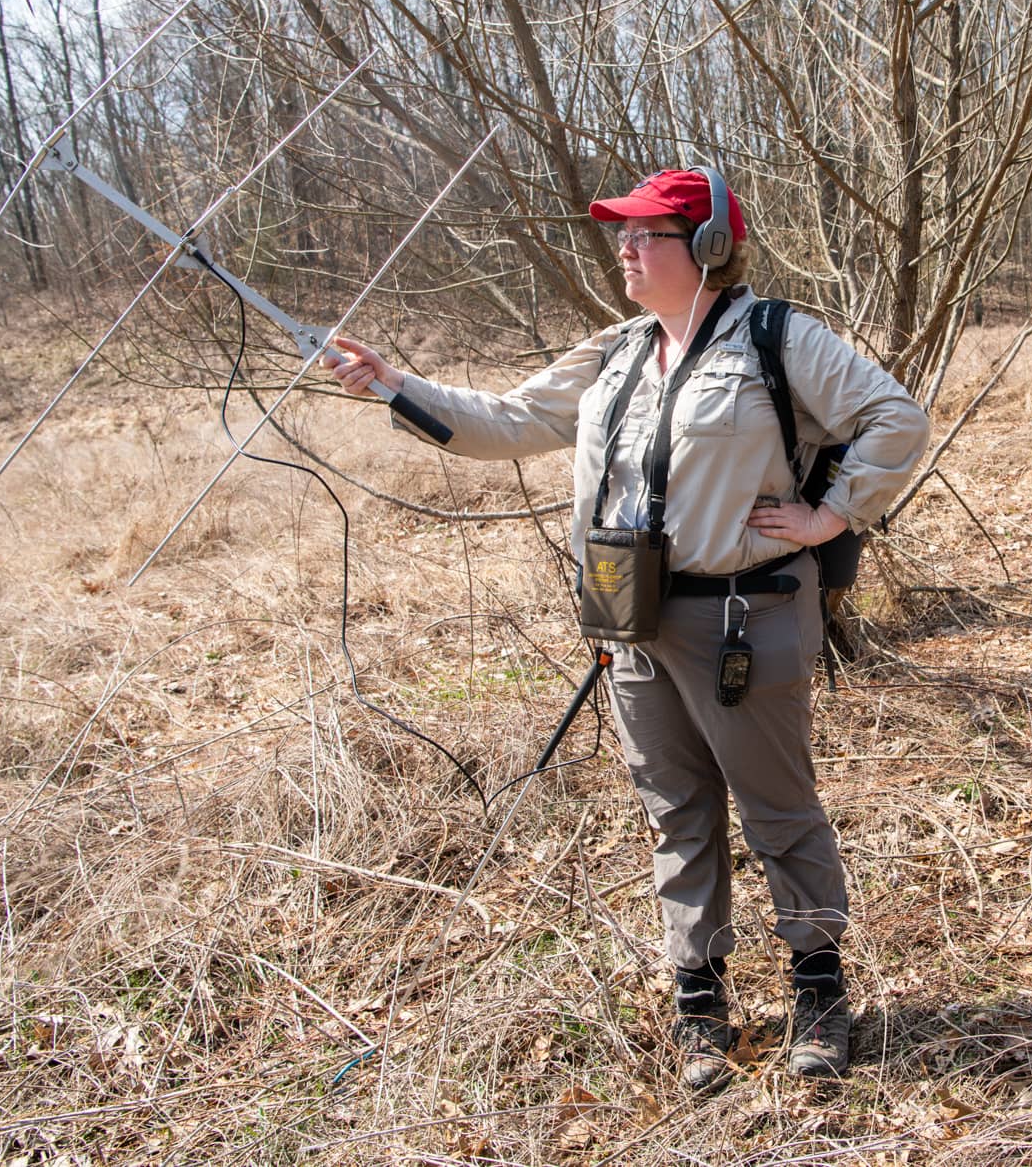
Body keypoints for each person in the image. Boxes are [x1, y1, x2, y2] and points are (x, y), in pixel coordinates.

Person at [329, 168, 930, 1091]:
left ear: (706, 247)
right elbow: (512, 419)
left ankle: (819, 995)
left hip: (744, 617)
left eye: (645, 234)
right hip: (631, 618)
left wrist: (833, 514)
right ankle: (701, 1007)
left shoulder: (776, 339)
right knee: (675, 814)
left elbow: (894, 416)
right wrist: (394, 384)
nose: (625, 250)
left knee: (777, 808)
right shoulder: (614, 351)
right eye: (624, 234)